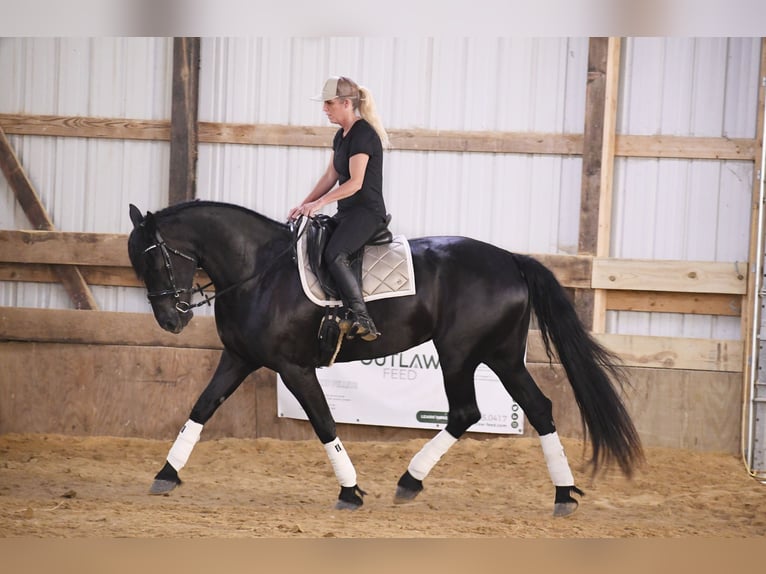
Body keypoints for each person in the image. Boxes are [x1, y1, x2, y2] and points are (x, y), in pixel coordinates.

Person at [289, 76, 390, 342]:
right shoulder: (341, 136)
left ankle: (361, 317)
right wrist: (304, 204)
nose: (325, 109)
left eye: (329, 104)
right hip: (347, 213)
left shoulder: (363, 134)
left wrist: (320, 203)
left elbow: (355, 183)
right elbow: (330, 176)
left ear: (346, 103)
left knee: (335, 253)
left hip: (367, 213)